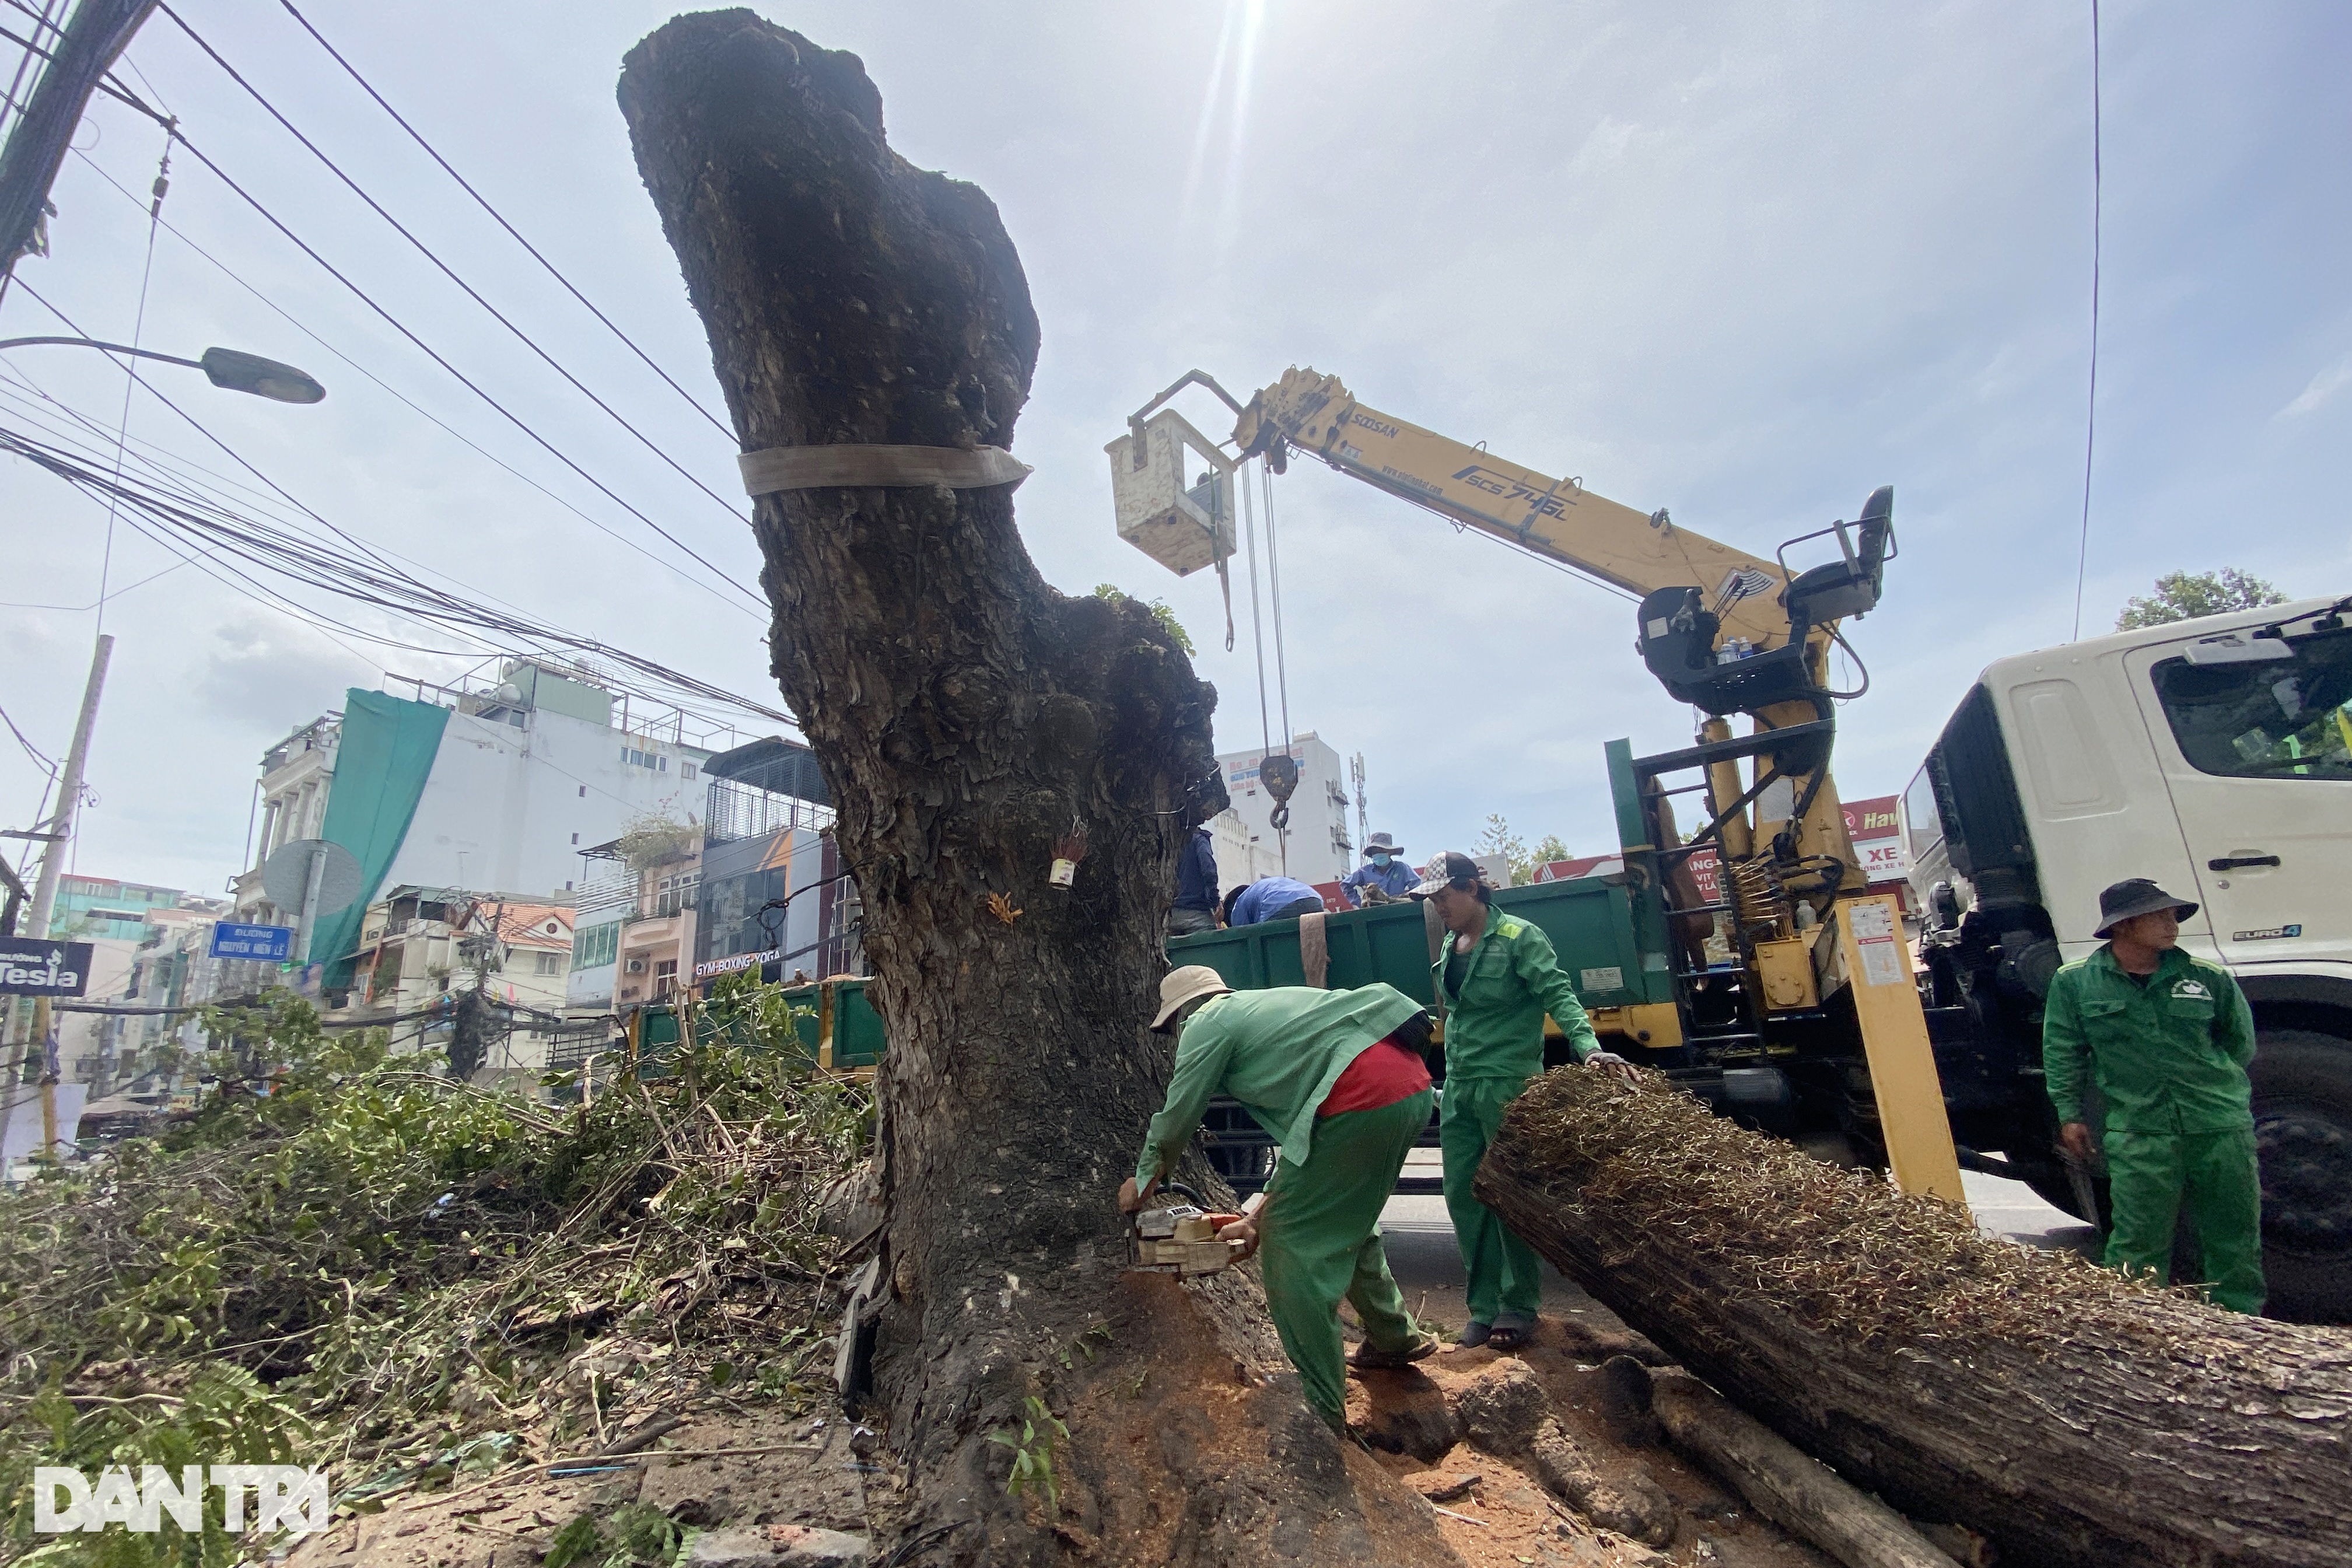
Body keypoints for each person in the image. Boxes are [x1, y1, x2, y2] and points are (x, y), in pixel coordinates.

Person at [1120, 966, 1438, 1432]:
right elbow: (1303, 1147)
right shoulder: (1268, 1013)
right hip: (1409, 1090)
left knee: (1293, 1246)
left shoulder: (1209, 1023)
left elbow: (1178, 1113)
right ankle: (1394, 1338)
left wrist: (1144, 1179)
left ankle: (1321, 1409)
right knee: (1347, 1221)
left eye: (1173, 1029)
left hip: (1359, 1097)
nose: (1177, 1037)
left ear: (1181, 1015)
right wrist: (1256, 1215)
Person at [1414, 850, 1637, 1351]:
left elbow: (1559, 995)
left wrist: (1590, 1049)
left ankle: (1519, 1306)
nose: (1437, 906)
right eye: (1432, 899)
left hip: (1508, 1086)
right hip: (1461, 1088)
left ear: (1471, 887)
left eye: (1443, 896)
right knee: (1463, 1198)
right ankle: (1482, 1308)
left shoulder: (1520, 937)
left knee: (1510, 1198)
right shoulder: (1452, 944)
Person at [2042, 877, 2264, 1314]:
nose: (2172, 923)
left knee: (2233, 1237)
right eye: (2159, 914)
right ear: (2124, 926)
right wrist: (2069, 1114)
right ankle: (2137, 1333)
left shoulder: (2208, 978)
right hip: (2141, 1134)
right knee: (2137, 1242)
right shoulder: (2076, 984)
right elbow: (2063, 1051)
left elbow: (2240, 1045)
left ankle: (2241, 1326)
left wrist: (2212, 1093)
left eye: (2172, 914)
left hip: (2219, 1128)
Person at [1342, 832, 1419, 907]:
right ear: (1372, 854)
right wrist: (1360, 903)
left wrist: (1411, 901)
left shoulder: (1402, 868)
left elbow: (1417, 887)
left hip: (1399, 909)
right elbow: (1345, 885)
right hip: (1374, 912)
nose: (1378, 853)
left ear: (1390, 852)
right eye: (1375, 851)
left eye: (1382, 850)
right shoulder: (1364, 872)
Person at [1170, 824, 1220, 936]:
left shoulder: (1169, 843)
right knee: (1206, 951)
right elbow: (1209, 871)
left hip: (1171, 915)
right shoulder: (1200, 840)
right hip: (1198, 913)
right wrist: (1215, 901)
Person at [1223, 875, 1326, 927]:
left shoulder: (1238, 905)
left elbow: (1243, 933)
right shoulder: (1257, 889)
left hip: (1279, 905)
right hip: (1314, 899)